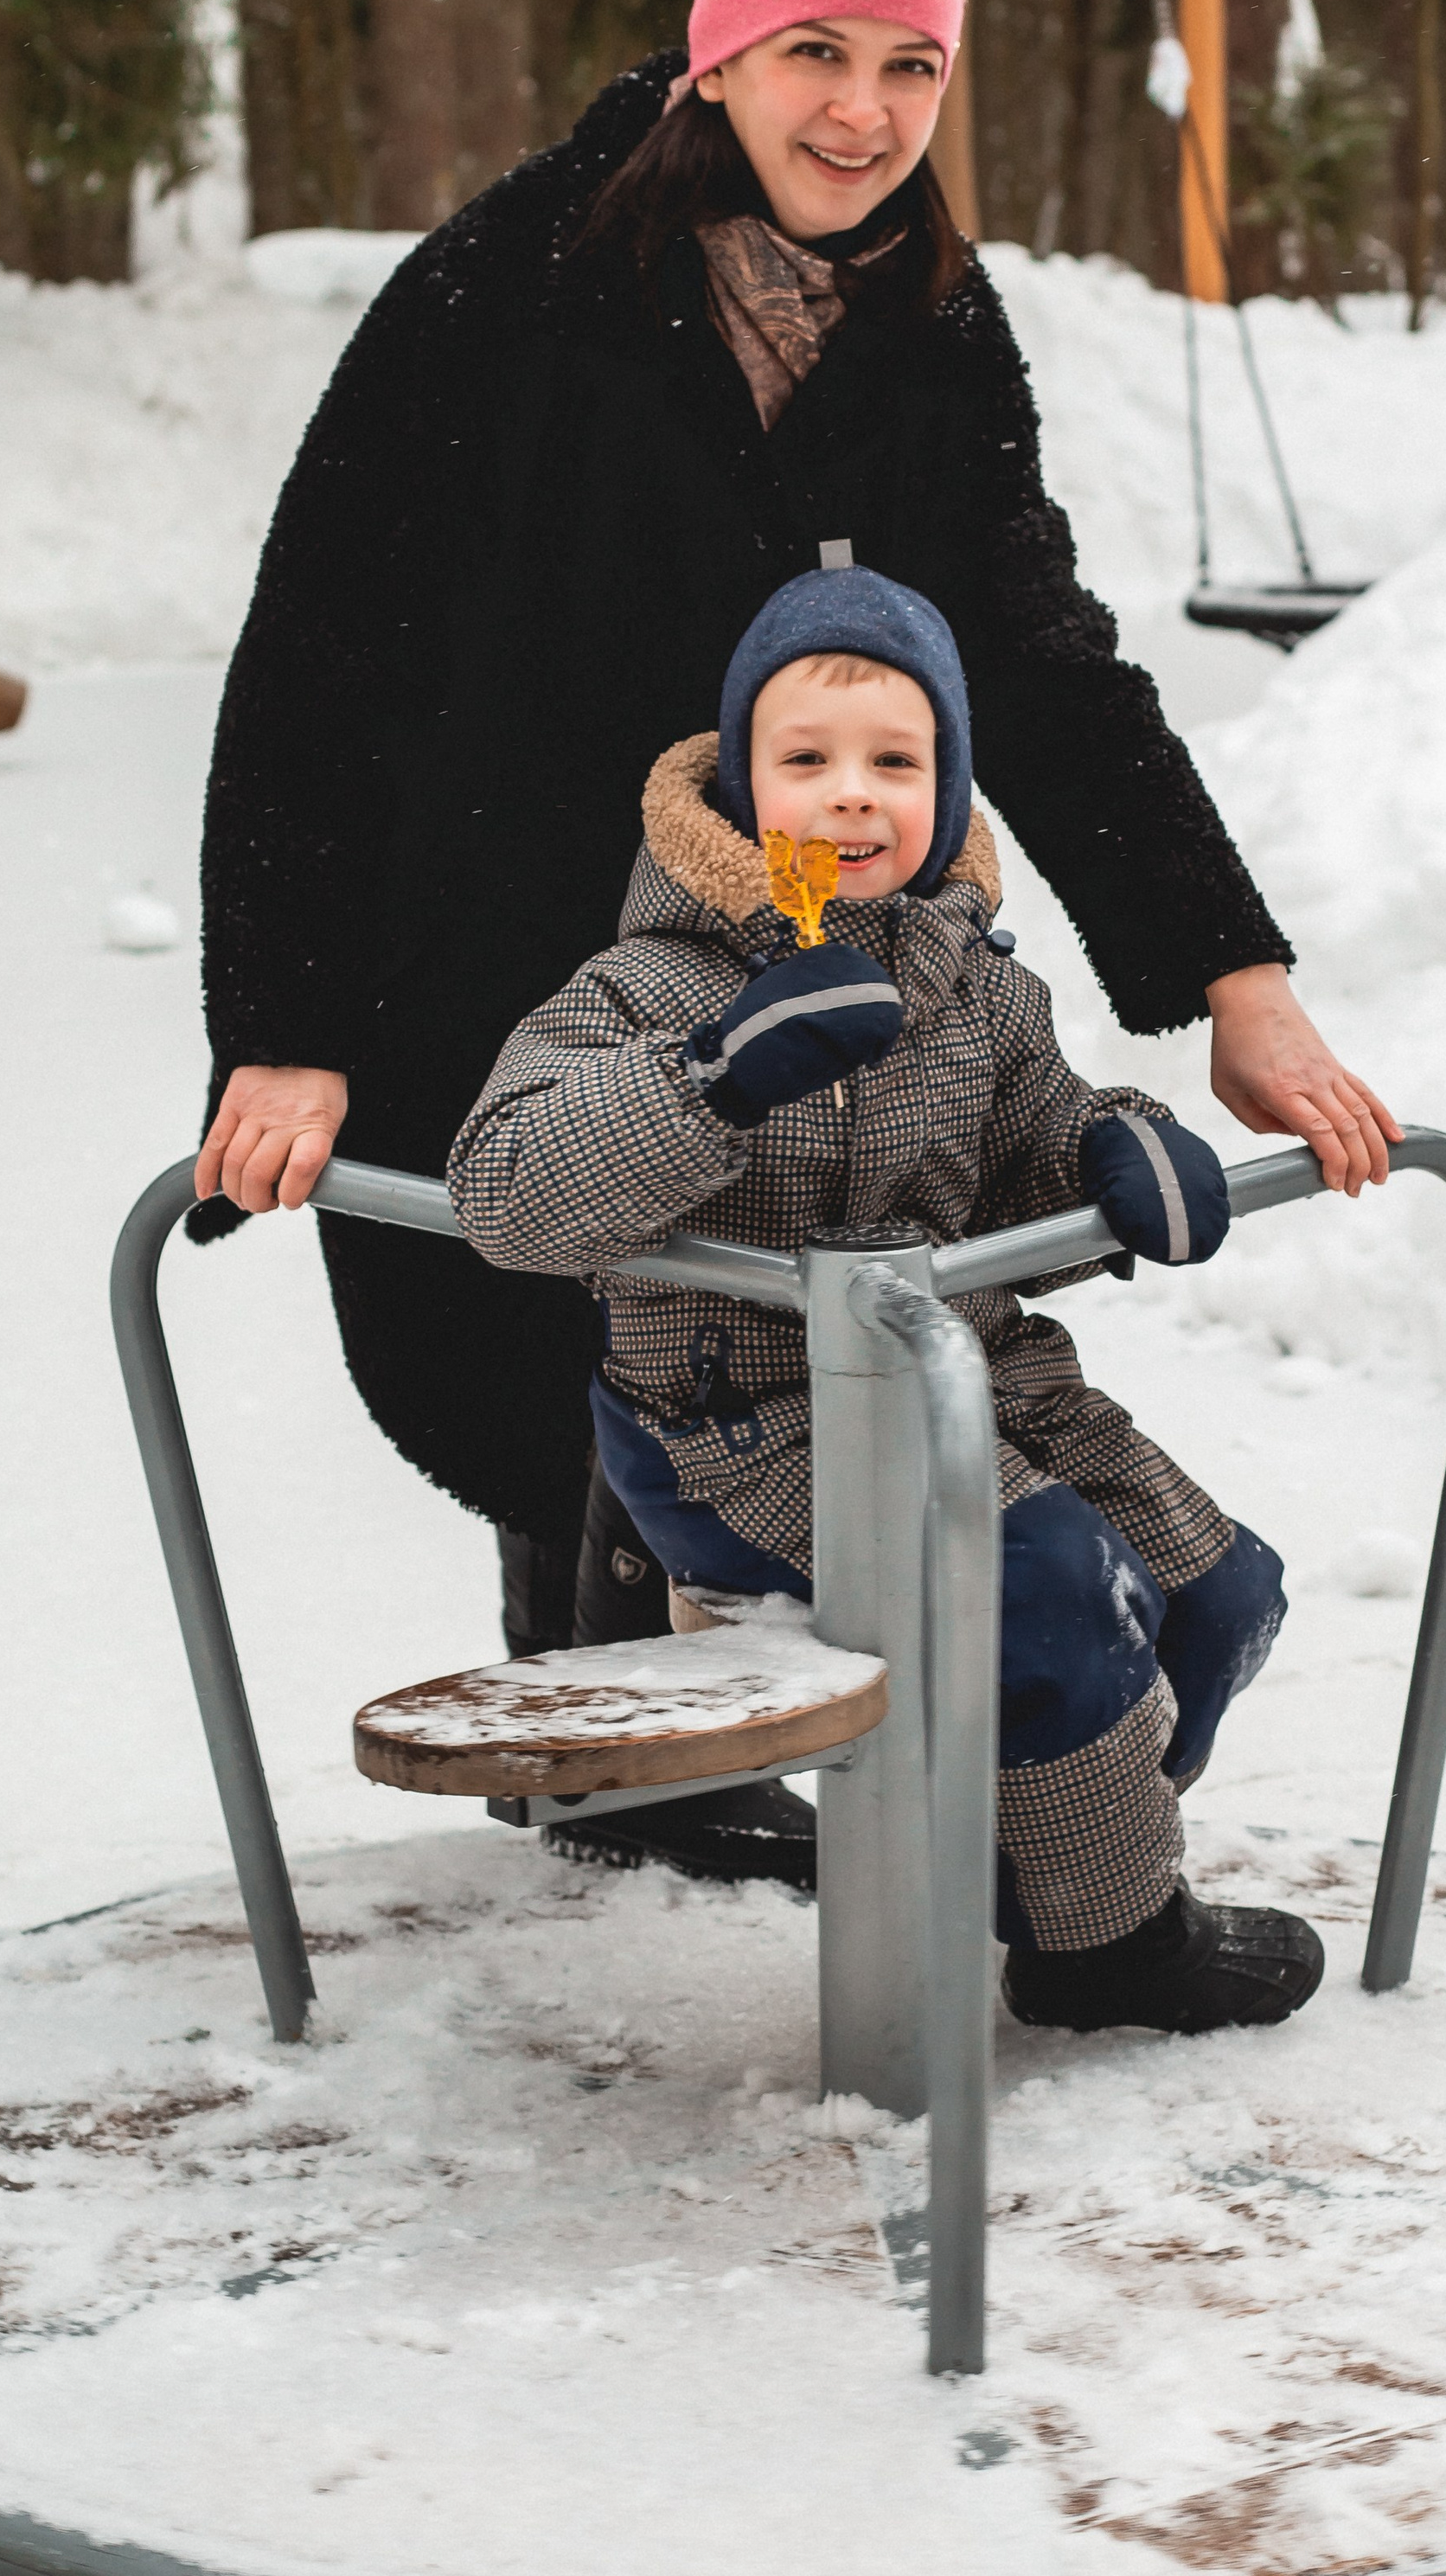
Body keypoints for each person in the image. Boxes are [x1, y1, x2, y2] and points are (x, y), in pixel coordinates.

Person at [193, 0, 1398, 1881]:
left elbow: (1037, 656)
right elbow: (320, 660)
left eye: (907, 66)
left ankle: (839, 1777)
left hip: (790, 937)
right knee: (564, 1343)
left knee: (741, 1354)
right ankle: (614, 1766)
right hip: (492, 925)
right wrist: (289, 1025)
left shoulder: (926, 320)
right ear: (717, 56)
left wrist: (1232, 982)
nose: (859, 112)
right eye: (812, 51)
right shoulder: (507, 291)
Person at [446, 563, 1324, 2033]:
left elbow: (1033, 1124)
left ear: (948, 783)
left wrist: (1115, 1146)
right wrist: (715, 1079)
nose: (851, 798)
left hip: (976, 1382)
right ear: (736, 788)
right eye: (806, 763)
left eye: (894, 764)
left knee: (1218, 1592)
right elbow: (506, 1191)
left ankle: (1032, 1852)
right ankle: (1103, 1948)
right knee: (1048, 1594)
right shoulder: (648, 986)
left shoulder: (975, 986)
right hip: (733, 1428)